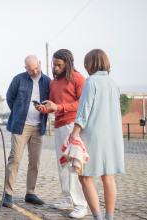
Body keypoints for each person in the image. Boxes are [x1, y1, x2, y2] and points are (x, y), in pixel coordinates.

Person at [69, 49, 125, 220]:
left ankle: (98, 217)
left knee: (85, 177)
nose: (85, 66)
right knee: (108, 177)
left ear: (92, 63)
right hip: (112, 136)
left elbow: (85, 110)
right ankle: (109, 217)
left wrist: (75, 132)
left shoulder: (91, 81)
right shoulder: (113, 84)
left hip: (93, 136)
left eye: (86, 63)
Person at [36, 49, 88, 218]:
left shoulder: (78, 78)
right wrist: (44, 108)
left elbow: (83, 103)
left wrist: (58, 107)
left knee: (74, 164)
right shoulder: (54, 82)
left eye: (59, 65)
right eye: (54, 64)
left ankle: (81, 205)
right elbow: (53, 104)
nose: (56, 68)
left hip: (73, 126)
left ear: (68, 63)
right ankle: (67, 198)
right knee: (62, 164)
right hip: (59, 125)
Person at [3, 55, 51, 208]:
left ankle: (30, 193)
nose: (34, 71)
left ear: (40, 64)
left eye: (36, 68)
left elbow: (51, 103)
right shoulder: (18, 79)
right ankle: (8, 194)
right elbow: (9, 98)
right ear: (25, 68)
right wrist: (19, 113)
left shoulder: (48, 82)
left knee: (34, 162)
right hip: (20, 126)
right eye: (31, 70)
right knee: (15, 159)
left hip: (39, 127)